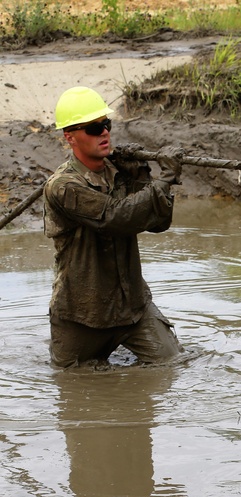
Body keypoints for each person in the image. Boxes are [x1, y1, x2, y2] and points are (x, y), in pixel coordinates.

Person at [43, 86, 184, 368]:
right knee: (71, 382)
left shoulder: (118, 171)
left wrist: (141, 176)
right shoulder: (63, 186)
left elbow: (158, 223)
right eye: (94, 128)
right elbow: (115, 218)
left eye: (106, 125)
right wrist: (163, 180)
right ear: (69, 137)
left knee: (172, 366)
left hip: (132, 306)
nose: (105, 132)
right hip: (83, 313)